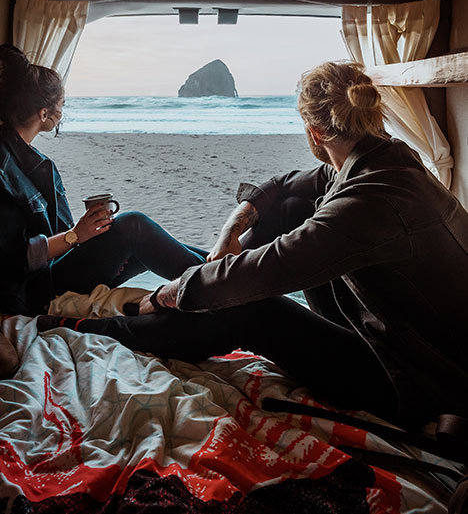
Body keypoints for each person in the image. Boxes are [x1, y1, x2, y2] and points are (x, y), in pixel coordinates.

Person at [38, 61, 468, 429]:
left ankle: (101, 330)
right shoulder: (385, 160)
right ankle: (206, 283)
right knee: (291, 206)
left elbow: (270, 268)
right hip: (392, 336)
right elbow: (279, 187)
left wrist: (163, 297)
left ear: (314, 132)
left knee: (245, 305)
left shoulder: (370, 201)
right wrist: (229, 235)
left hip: (411, 379)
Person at [0, 45, 207, 317]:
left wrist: (88, 233)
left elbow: (54, 232)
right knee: (134, 225)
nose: (62, 112)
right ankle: (217, 285)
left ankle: (223, 269)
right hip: (34, 290)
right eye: (62, 105)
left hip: (57, 269)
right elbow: (8, 259)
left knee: (131, 235)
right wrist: (75, 236)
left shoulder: (29, 158)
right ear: (44, 114)